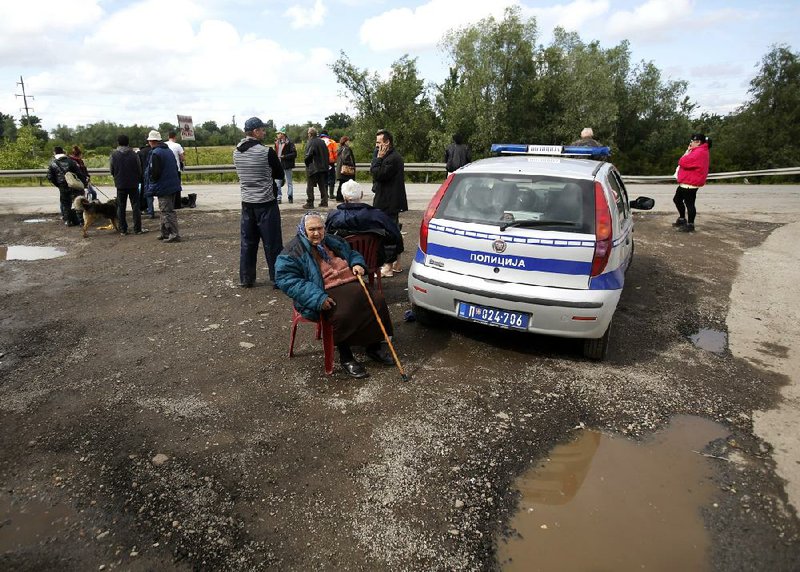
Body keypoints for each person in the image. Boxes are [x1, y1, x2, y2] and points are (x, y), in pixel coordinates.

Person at [275, 212, 396, 378]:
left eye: (320, 228)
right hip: (323, 289)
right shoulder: (292, 251)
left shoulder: (333, 241)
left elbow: (352, 254)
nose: (316, 233)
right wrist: (318, 298)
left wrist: (357, 263)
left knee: (377, 300)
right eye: (312, 229)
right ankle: (346, 356)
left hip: (350, 280)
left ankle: (373, 346)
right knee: (343, 313)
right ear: (303, 230)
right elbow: (287, 280)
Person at [233, 117, 285, 288]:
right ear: (255, 132)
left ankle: (246, 278)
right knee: (272, 243)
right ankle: (277, 278)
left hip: (247, 203)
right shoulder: (266, 152)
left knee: (248, 242)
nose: (264, 132)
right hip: (266, 203)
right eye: (262, 130)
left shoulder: (236, 151)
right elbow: (278, 174)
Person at [325, 179, 404, 276]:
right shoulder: (377, 215)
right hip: (373, 259)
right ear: (361, 195)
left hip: (343, 259)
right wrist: (391, 256)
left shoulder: (334, 216)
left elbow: (325, 238)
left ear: (344, 197)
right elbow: (395, 235)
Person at [370, 129, 408, 277]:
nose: (376, 145)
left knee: (388, 234)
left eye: (379, 142)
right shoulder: (384, 155)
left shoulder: (393, 158)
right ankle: (397, 263)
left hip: (389, 202)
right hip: (386, 199)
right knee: (394, 232)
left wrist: (378, 158)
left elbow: (377, 174)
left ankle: (388, 267)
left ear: (387, 143)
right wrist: (377, 157)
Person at [143, 130, 182, 243]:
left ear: (152, 141)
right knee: (164, 210)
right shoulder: (167, 150)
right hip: (172, 184)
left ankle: (174, 234)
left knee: (166, 211)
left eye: (149, 141)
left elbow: (155, 173)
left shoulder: (156, 153)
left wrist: (152, 183)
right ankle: (164, 232)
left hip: (163, 186)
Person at [673, 133, 712, 233]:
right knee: (677, 199)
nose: (690, 143)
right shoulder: (698, 150)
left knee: (689, 204)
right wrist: (689, 150)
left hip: (691, 183)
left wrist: (688, 151)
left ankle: (690, 224)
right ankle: (682, 219)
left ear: (698, 142)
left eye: (692, 141)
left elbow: (682, 161)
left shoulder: (699, 152)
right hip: (686, 181)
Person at [110, 134, 145, 235]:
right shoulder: (134, 154)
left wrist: (117, 177)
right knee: (136, 206)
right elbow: (139, 169)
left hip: (120, 184)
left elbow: (112, 170)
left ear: (118, 142)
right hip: (133, 183)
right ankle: (137, 229)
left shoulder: (114, 155)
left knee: (121, 207)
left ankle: (123, 229)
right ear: (128, 142)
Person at [46, 146, 87, 227]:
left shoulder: (53, 163)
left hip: (62, 186)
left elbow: (50, 177)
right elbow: (79, 174)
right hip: (74, 185)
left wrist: (58, 184)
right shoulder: (71, 162)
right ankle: (81, 221)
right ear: (63, 152)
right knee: (77, 202)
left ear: (54, 153)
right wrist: (84, 183)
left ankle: (68, 221)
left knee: (65, 204)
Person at [303, 127, 329, 209]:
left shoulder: (310, 142)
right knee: (322, 185)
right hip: (322, 167)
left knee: (310, 186)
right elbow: (327, 154)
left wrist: (307, 164)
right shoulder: (322, 142)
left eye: (308, 133)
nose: (307, 135)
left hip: (313, 168)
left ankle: (310, 202)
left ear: (310, 134)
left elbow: (308, 155)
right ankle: (324, 201)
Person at [274, 128, 297, 204]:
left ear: (282, 134)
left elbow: (294, 154)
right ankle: (278, 198)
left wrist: (284, 156)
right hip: (278, 166)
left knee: (289, 182)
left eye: (278, 133)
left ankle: (290, 197)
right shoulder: (276, 142)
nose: (277, 135)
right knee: (278, 183)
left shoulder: (289, 143)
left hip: (287, 165)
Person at [166, 130, 185, 209]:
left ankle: (168, 203)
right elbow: (182, 158)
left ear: (168, 137)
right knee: (177, 187)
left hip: (166, 170)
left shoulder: (164, 144)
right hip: (175, 169)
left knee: (167, 187)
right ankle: (177, 204)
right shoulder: (177, 145)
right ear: (175, 137)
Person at [137, 140, 155, 218]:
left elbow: (138, 166)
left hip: (144, 176)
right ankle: (151, 210)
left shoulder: (140, 153)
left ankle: (148, 210)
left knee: (147, 194)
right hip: (154, 174)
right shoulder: (154, 150)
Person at [334, 136, 356, 202]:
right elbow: (346, 159)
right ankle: (340, 197)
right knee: (344, 184)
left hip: (340, 169)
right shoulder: (346, 149)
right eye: (348, 141)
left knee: (342, 183)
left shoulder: (340, 148)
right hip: (346, 169)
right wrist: (351, 164)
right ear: (345, 141)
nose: (349, 142)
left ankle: (339, 197)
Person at [320, 132, 338, 200]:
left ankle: (325, 194)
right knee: (331, 178)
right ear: (327, 135)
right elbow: (335, 152)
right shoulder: (332, 142)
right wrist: (336, 160)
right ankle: (331, 194)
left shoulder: (319, 142)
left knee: (324, 179)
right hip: (330, 162)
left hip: (321, 163)